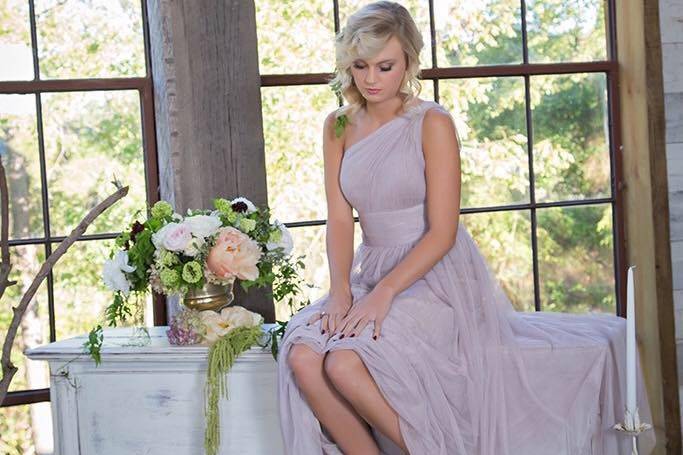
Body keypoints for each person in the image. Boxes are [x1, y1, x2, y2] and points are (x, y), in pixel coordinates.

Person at [276, 2, 656, 454]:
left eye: (385, 66)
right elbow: (339, 219)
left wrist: (385, 294)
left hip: (432, 277)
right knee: (302, 358)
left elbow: (442, 232)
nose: (371, 79)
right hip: (368, 272)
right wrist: (341, 290)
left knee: (342, 365)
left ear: (409, 63)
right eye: (359, 66)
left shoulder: (431, 123)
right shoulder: (337, 126)